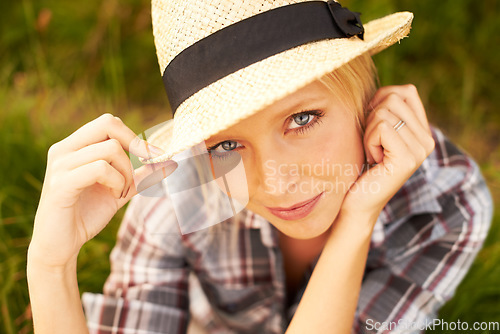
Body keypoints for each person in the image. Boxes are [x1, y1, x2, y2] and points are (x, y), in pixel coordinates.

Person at [27, 0, 493, 333]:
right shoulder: (182, 188)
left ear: (361, 96)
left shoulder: (447, 202)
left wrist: (358, 221)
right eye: (227, 143)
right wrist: (50, 267)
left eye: (302, 118)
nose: (276, 181)